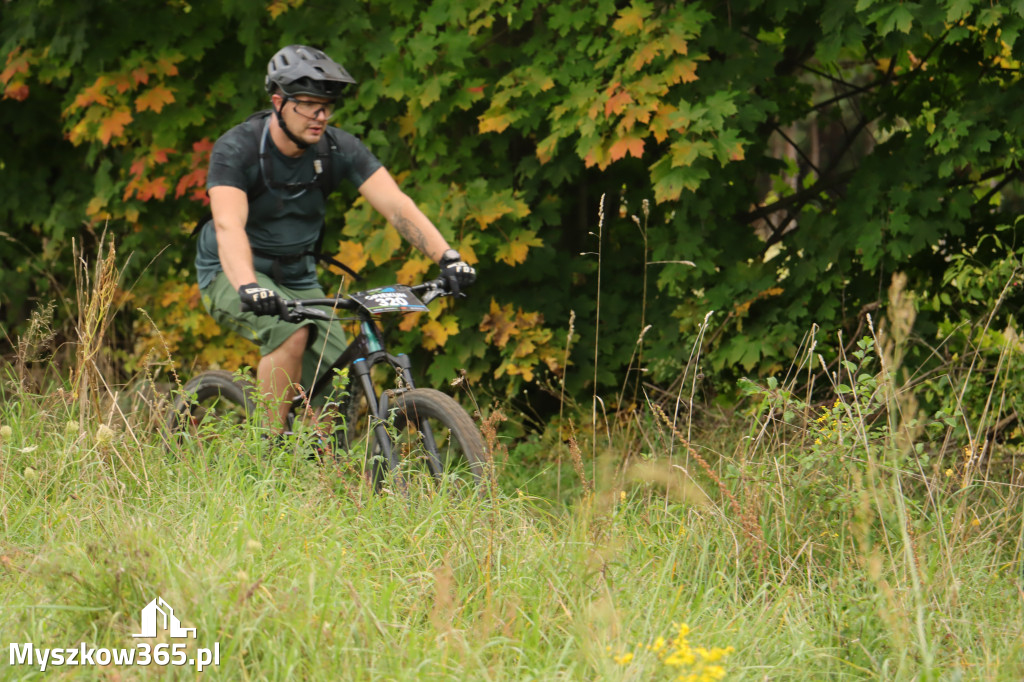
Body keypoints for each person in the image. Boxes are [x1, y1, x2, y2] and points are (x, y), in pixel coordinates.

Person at [195, 45, 476, 431]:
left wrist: (448, 257)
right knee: (291, 335)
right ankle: (263, 455)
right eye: (309, 104)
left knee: (340, 378)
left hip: (298, 274)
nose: (321, 115)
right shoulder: (237, 149)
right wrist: (248, 285)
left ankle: (325, 468)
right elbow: (228, 225)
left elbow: (397, 205)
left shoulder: (337, 149)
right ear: (278, 102)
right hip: (231, 272)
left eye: (326, 105)